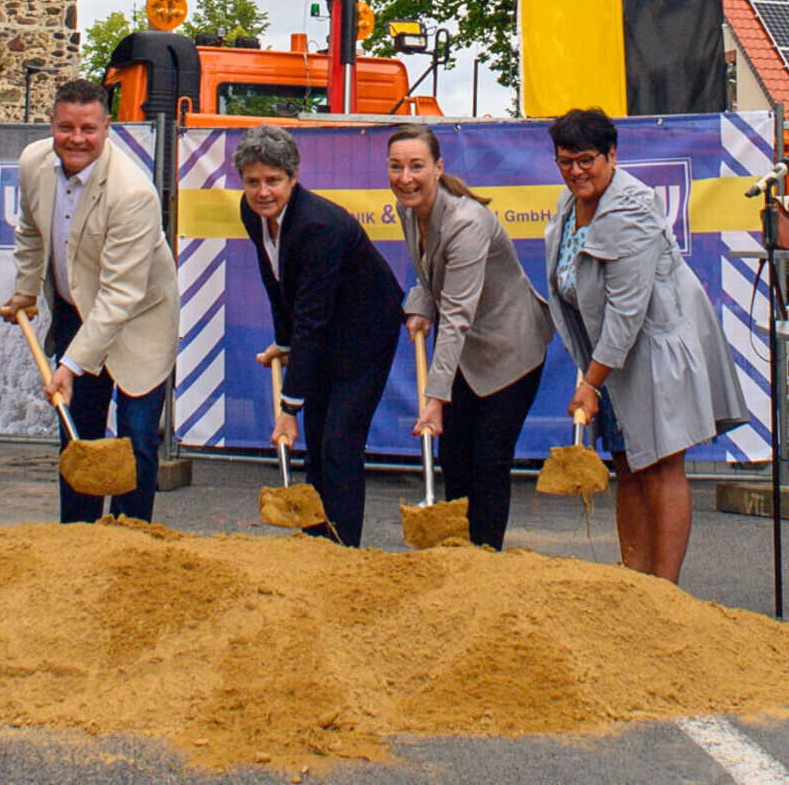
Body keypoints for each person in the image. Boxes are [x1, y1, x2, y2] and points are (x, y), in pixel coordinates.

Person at [544, 107, 748, 583]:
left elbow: (626, 313)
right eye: (565, 160)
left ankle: (664, 590)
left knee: (660, 466)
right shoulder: (567, 203)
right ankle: (633, 585)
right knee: (628, 467)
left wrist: (591, 384)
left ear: (612, 155)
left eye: (586, 159)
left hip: (655, 353)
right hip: (612, 363)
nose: (575, 170)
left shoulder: (632, 208)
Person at [1, 79, 178, 524]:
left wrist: (70, 366)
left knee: (136, 437)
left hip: (138, 320)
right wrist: (26, 288)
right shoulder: (33, 163)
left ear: (107, 128)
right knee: (77, 433)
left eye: (88, 129)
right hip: (73, 311)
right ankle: (76, 540)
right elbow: (30, 231)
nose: (76, 139)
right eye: (66, 127)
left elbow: (121, 295)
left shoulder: (132, 193)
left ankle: (129, 541)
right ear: (52, 125)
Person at [234, 124, 403, 548]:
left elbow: (313, 318)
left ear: (293, 178)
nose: (263, 191)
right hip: (323, 330)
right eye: (253, 181)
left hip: (365, 331)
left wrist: (288, 406)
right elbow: (276, 282)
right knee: (318, 441)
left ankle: (343, 552)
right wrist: (284, 342)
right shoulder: (252, 212)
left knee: (339, 444)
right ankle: (316, 543)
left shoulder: (318, 225)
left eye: (273, 181)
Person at [391, 125, 555, 551]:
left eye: (416, 166)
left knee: (488, 460)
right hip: (464, 351)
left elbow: (459, 314)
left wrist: (433, 400)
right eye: (396, 167)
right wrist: (420, 304)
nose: (405, 177)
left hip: (509, 349)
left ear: (438, 167)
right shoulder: (408, 208)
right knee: (455, 459)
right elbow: (431, 274)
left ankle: (485, 561)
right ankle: (456, 556)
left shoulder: (466, 222)